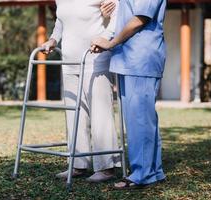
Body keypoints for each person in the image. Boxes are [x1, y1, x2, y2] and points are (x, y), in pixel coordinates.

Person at [41, 0, 120, 183]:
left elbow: (117, 15)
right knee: (74, 114)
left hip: (96, 59)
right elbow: (61, 22)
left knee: (100, 114)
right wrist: (53, 39)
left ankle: (107, 167)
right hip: (69, 62)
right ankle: (78, 164)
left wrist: (107, 37)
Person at [91, 0, 167, 189]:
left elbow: (139, 19)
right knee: (141, 120)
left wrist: (111, 43)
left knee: (140, 119)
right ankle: (153, 172)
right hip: (129, 59)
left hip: (140, 59)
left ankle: (142, 174)